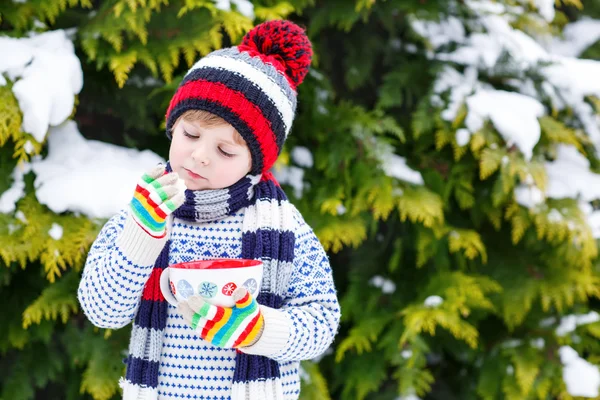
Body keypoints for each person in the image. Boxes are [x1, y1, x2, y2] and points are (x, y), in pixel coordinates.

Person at [77, 19, 341, 400]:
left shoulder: (284, 227)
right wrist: (141, 236)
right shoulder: (148, 209)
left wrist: (260, 329)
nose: (200, 156)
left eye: (225, 150)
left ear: (256, 161)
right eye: (190, 135)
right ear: (173, 127)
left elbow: (321, 321)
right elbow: (102, 311)